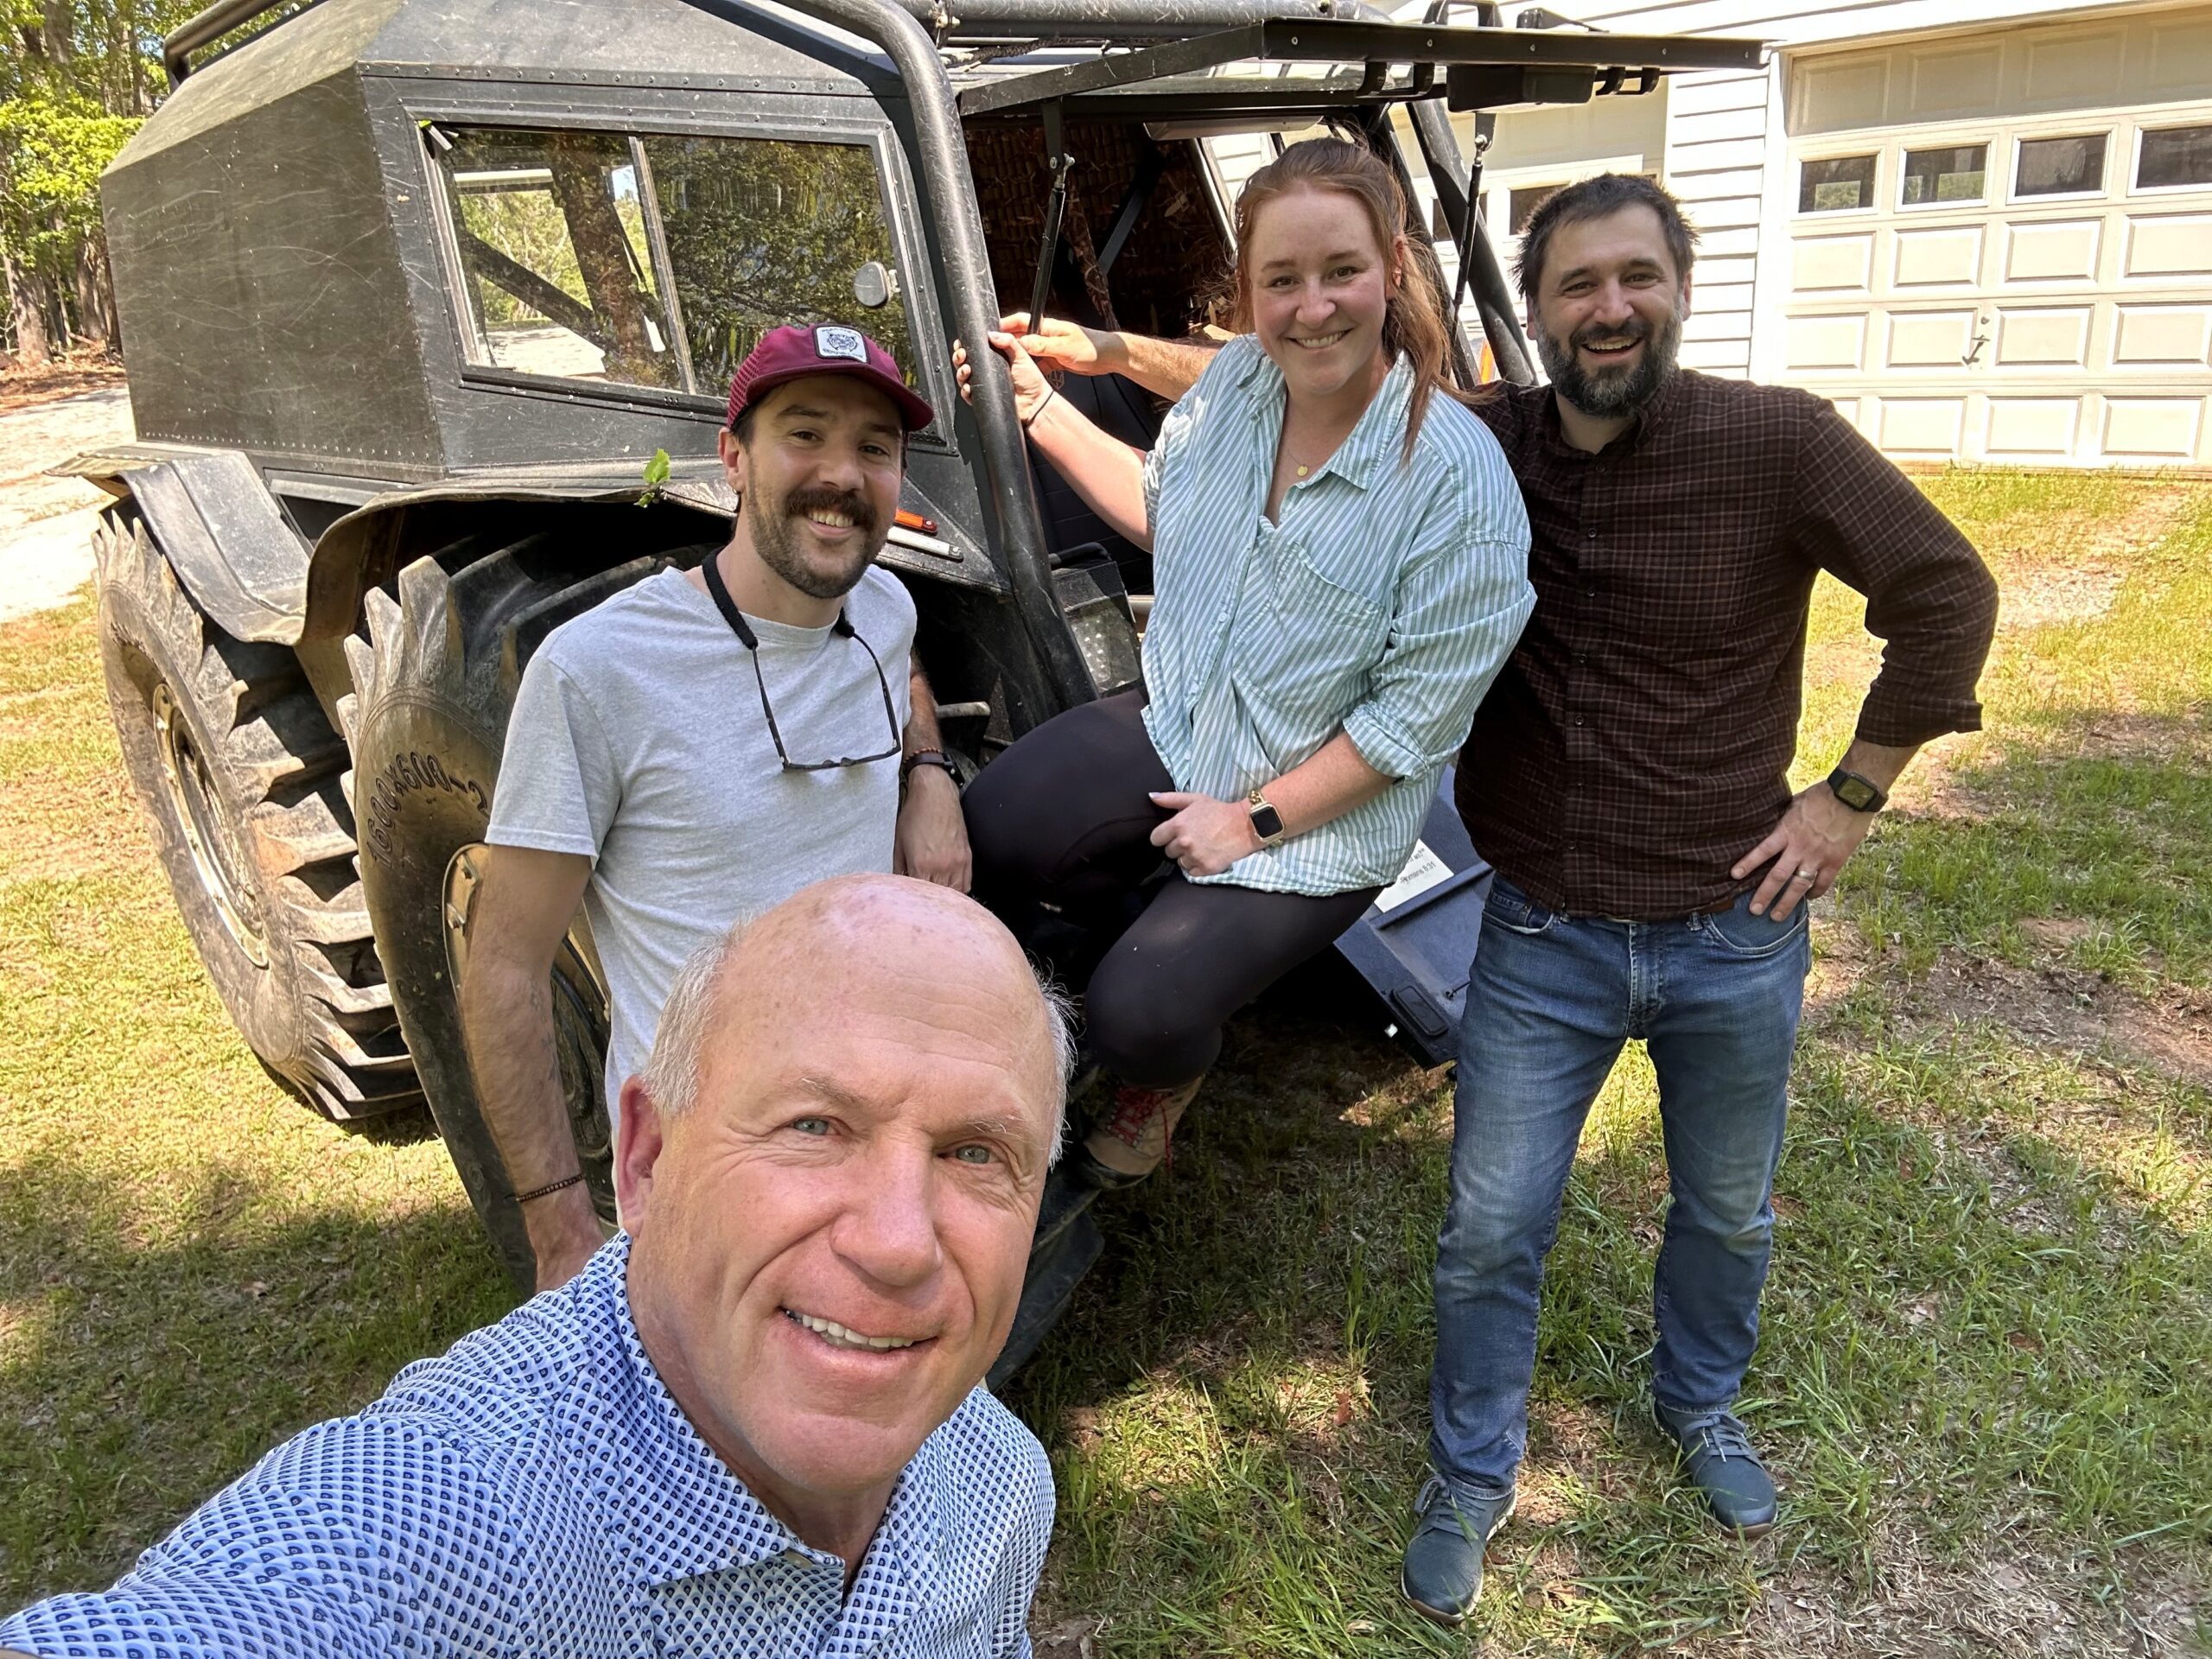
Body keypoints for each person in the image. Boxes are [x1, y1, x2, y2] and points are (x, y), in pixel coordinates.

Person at [997, 172, 1999, 1624]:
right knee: (1488, 1230)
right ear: (1533, 308)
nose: (1609, 309)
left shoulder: (1776, 443)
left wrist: (1848, 798)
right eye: (1578, 285)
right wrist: (1097, 361)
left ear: (1679, 288)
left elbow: (1948, 594)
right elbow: (1283, 360)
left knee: (1724, 1212)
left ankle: (1701, 1404)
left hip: (1734, 928)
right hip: (1541, 929)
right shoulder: (1484, 438)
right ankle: (1473, 1470)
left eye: (1636, 279)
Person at [0, 874, 1070, 1659]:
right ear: (645, 1160)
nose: (896, 1242)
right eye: (813, 1125)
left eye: (976, 1153)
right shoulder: (457, 1519)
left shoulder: (998, 1475)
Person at [953, 138, 1532, 1190]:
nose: (1313, 307)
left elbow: (1409, 730)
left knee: (1143, 1009)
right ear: (1249, 292)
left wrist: (1246, 823)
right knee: (986, 831)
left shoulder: (1458, 485)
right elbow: (1161, 513)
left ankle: (1164, 1070)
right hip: (1181, 720)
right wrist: (1040, 407)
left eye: (1340, 272)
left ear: (1391, 268)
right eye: (1281, 280)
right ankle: (1130, 923)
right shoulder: (1230, 396)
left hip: (1319, 820)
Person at [462, 323, 972, 1294]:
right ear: (731, 457)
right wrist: (562, 1232)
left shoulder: (883, 608)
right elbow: (504, 968)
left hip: (875, 1119)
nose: (841, 474)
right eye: (805, 435)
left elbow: (904, 666)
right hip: (707, 1163)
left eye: (874, 448)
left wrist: (928, 772)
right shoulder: (598, 671)